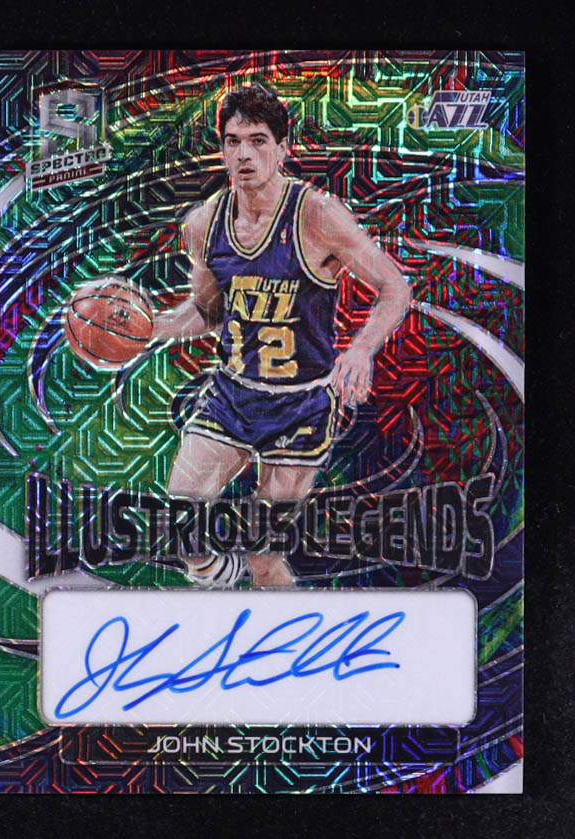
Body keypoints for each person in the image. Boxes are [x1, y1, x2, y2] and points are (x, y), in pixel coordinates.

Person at [151, 83, 411, 587]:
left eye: (258, 141)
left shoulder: (318, 215)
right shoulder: (204, 223)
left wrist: (361, 350)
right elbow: (207, 312)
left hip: (301, 405)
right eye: (232, 141)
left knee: (263, 557)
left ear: (283, 148)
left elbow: (395, 287)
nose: (244, 154)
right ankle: (215, 574)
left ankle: (288, 624)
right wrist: (151, 328)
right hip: (233, 395)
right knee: (183, 517)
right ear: (222, 148)